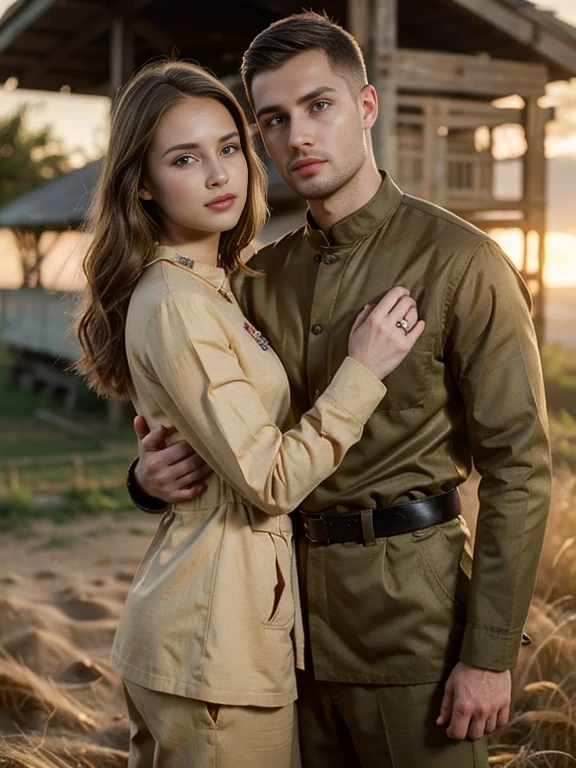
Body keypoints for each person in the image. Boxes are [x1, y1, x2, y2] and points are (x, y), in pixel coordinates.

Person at [128, 13, 552, 768]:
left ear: (365, 106)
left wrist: (488, 653)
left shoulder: (464, 262)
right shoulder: (262, 276)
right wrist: (144, 480)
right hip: (282, 642)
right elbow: (224, 428)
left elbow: (520, 467)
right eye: (274, 120)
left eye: (319, 106)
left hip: (413, 633)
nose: (298, 137)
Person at [74, 59, 425, 768]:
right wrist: (364, 369)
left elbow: (212, 440)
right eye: (184, 158)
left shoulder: (216, 286)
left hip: (224, 630)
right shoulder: (175, 302)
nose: (218, 174)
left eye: (229, 147)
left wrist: (147, 480)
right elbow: (268, 478)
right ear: (141, 183)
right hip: (212, 644)